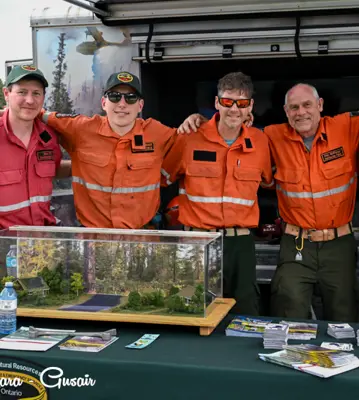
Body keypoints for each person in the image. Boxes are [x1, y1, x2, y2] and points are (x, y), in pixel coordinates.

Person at [180, 82, 359, 322]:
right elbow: (232, 130)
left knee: (344, 314)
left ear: (320, 105)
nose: (301, 112)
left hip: (339, 245)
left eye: (307, 105)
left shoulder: (346, 127)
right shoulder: (272, 136)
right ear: (286, 111)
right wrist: (200, 119)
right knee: (287, 306)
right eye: (294, 107)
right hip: (295, 243)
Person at [161, 72, 273, 315]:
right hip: (197, 242)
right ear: (216, 103)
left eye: (242, 103)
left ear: (250, 106)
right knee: (188, 309)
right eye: (227, 101)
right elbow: (161, 179)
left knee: (244, 313)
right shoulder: (189, 137)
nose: (234, 109)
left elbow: (271, 183)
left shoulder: (261, 142)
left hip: (240, 245)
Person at [37, 71, 178, 229]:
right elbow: (36, 114)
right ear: (104, 102)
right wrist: (7, 114)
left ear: (140, 105)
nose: (122, 104)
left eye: (130, 98)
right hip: (93, 237)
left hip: (142, 236)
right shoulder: (80, 128)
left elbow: (192, 141)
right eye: (115, 96)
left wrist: (196, 119)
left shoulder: (158, 133)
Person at [0, 65, 70, 277]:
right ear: (7, 94)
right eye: (22, 92)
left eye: (36, 93)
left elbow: (53, 170)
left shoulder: (48, 138)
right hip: (4, 249)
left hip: (43, 245)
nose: (29, 100)